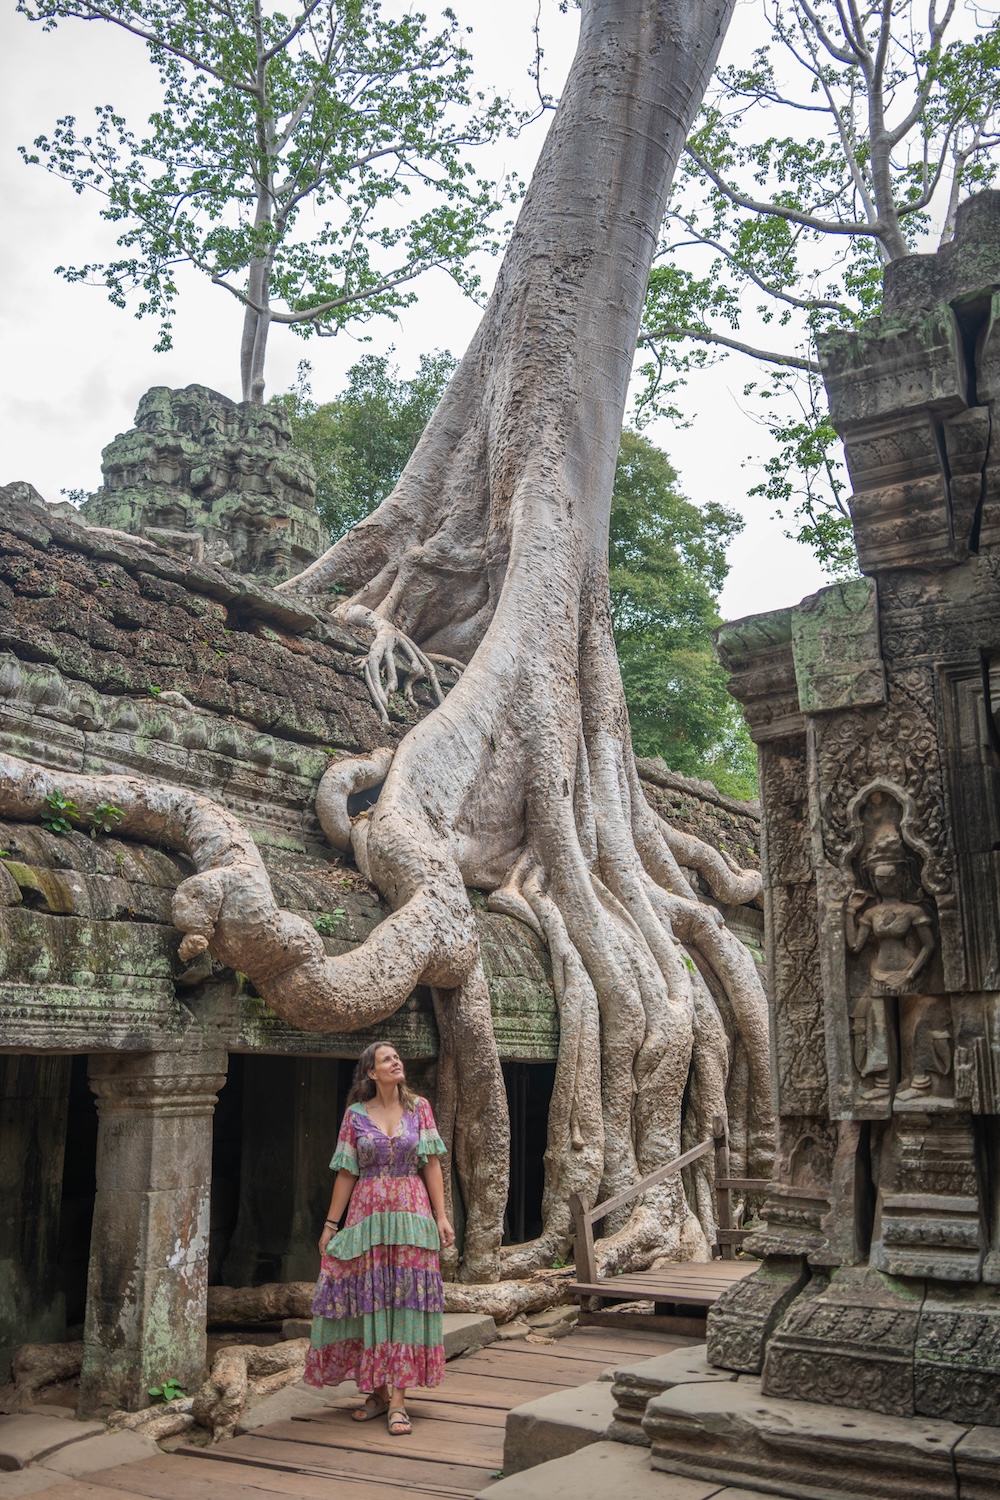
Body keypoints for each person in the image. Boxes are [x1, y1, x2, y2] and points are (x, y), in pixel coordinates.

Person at [303, 1042, 456, 1436]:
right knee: (371, 1298)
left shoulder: (419, 1108)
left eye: (397, 1057)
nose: (396, 1062)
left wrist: (441, 1217)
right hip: (367, 1218)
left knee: (404, 1300)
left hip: (411, 1214)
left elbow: (432, 1163)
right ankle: (378, 1393)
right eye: (388, 1059)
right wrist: (330, 1225)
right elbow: (347, 1172)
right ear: (371, 1072)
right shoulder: (355, 1116)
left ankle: (400, 1402)